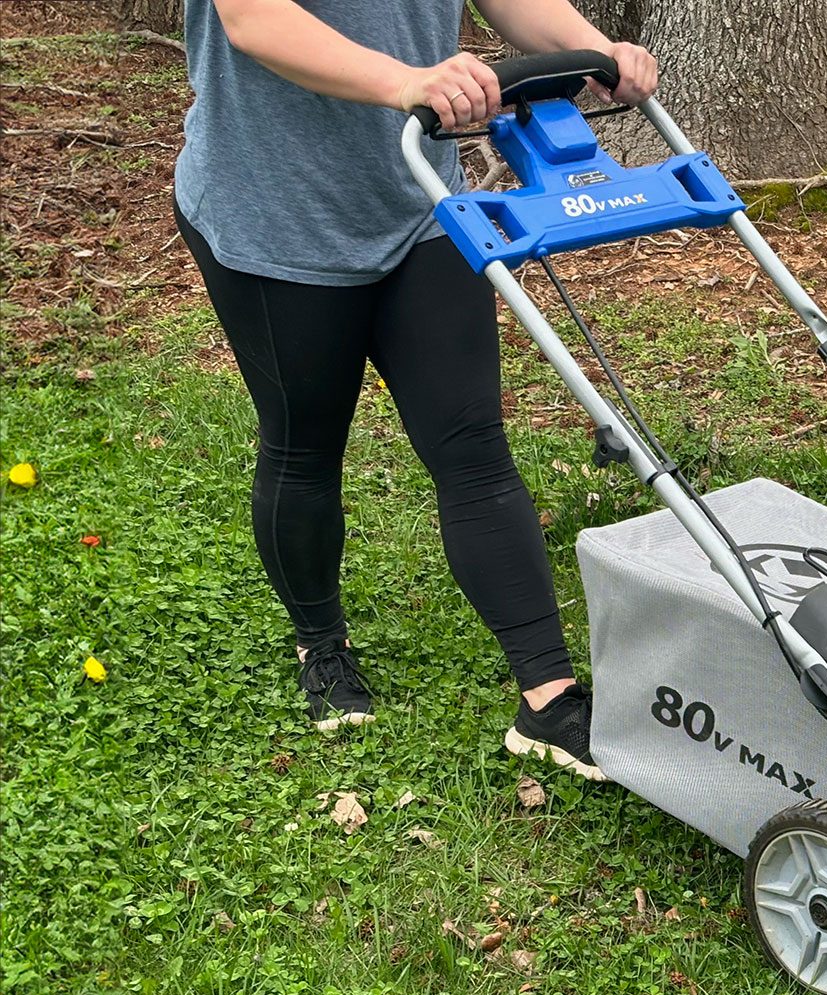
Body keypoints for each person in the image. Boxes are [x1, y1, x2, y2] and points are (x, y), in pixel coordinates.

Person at [174, 0, 657, 779]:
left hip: (419, 201)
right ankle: (321, 645)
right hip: (274, 210)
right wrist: (408, 81)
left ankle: (548, 696)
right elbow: (255, 22)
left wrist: (597, 50)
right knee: (305, 442)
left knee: (471, 442)